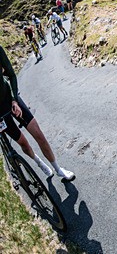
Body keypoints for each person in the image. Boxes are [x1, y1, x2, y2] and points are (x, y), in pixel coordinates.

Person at [0, 44, 75, 181]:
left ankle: (58, 169)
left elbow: (11, 75)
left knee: (38, 133)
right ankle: (38, 162)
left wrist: (14, 100)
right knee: (23, 143)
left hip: (10, 99)